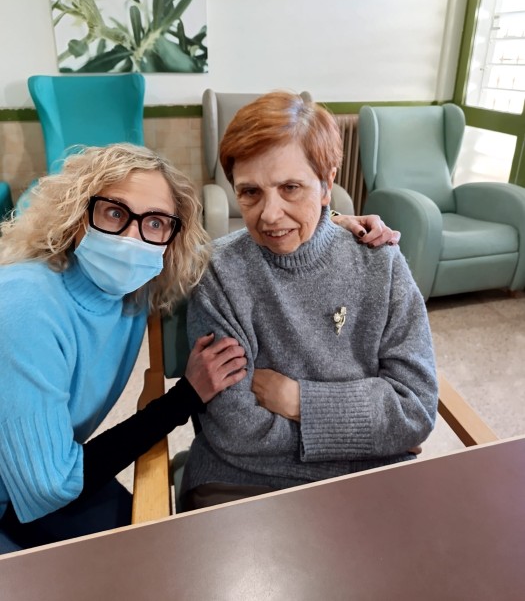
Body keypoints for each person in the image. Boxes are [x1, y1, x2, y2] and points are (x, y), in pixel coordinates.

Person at [0, 141, 397, 553]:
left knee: (157, 552)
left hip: (44, 473)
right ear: (76, 212)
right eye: (114, 213)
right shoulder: (23, 306)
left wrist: (324, 224)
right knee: (146, 562)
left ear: (171, 236)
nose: (132, 238)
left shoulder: (135, 290)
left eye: (155, 222)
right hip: (36, 490)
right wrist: (183, 399)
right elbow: (50, 487)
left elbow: (228, 256)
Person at [180, 92, 438, 510]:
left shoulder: (380, 262)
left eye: (291, 188)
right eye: (250, 192)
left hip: (370, 480)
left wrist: (298, 401)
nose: (269, 214)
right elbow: (235, 430)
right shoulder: (220, 274)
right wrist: (365, 437)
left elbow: (415, 410)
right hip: (244, 483)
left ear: (327, 184)